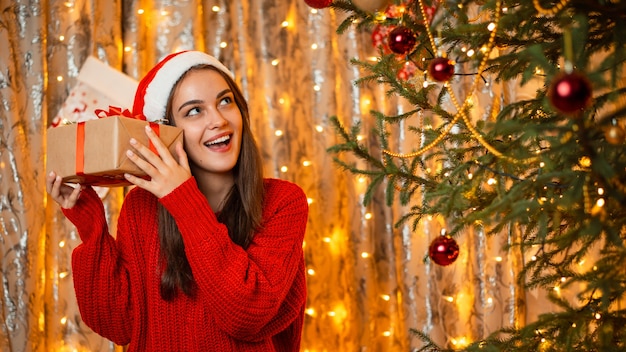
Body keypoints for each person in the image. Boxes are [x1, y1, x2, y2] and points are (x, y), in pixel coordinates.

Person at [46, 50, 309, 351]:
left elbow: (247, 314)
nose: (219, 120)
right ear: (165, 131)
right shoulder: (140, 208)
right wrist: (90, 225)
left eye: (226, 101)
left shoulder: (283, 201)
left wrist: (184, 201)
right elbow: (117, 325)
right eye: (195, 111)